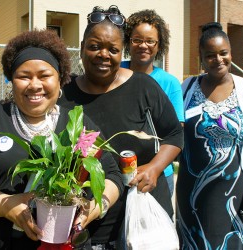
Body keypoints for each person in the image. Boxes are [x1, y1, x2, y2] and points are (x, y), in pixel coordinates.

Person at [0, 29, 124, 249]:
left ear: (60, 79)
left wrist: (94, 208)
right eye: (24, 76)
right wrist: (5, 206)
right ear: (11, 80)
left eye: (44, 76)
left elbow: (112, 173)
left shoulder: (77, 123)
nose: (35, 85)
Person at [58, 5, 183, 249]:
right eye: (94, 46)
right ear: (82, 47)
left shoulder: (142, 87)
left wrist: (155, 168)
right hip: (87, 224)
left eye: (113, 49)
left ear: (121, 52)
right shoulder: (65, 93)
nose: (103, 54)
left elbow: (175, 134)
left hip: (142, 216)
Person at [176, 22, 243, 249]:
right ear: (201, 58)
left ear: (230, 53)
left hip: (235, 192)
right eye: (210, 55)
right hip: (191, 193)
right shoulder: (187, 86)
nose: (218, 60)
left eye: (223, 53)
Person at [122, 9, 184, 197]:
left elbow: (176, 130)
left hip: (157, 174)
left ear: (159, 45)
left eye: (150, 41)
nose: (144, 46)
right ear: (128, 41)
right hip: (118, 170)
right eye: (137, 40)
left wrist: (155, 168)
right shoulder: (115, 71)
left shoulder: (169, 82)